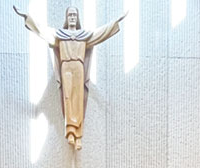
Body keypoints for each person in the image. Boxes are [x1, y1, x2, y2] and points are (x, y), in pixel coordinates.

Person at [14, 6, 125, 150]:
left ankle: (78, 134)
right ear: (66, 18)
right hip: (66, 66)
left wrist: (116, 21)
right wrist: (27, 17)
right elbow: (41, 29)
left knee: (77, 99)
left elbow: (101, 33)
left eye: (74, 15)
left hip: (78, 66)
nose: (72, 17)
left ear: (77, 18)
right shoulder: (59, 35)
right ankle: (71, 132)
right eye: (70, 15)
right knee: (68, 98)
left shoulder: (84, 36)